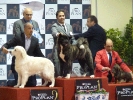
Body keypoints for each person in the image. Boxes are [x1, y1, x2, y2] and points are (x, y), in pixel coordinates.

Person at [1, 22, 45, 87]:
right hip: (18, 66)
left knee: (32, 84)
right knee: (19, 83)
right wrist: (3, 48)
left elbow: (39, 53)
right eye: (29, 28)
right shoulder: (18, 37)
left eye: (32, 28)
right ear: (24, 29)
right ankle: (10, 82)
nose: (31, 30)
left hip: (29, 67)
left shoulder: (35, 40)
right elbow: (8, 44)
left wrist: (47, 61)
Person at [51, 9, 76, 77]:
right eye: (60, 16)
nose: (62, 17)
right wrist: (58, 34)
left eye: (63, 16)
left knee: (68, 62)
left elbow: (72, 38)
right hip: (58, 48)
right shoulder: (55, 26)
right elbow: (54, 33)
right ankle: (58, 77)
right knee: (57, 62)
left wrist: (76, 46)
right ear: (57, 17)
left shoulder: (69, 26)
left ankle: (67, 75)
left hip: (68, 49)